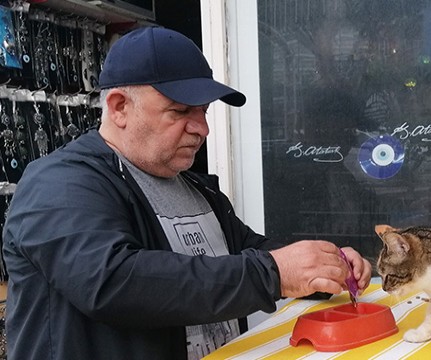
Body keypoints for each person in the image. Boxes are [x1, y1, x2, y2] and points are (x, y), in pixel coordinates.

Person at [1, 26, 372, 360]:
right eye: (179, 112)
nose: (202, 129)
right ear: (118, 108)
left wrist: (320, 267)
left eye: (204, 111)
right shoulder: (58, 183)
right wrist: (274, 273)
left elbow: (249, 253)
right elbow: (112, 282)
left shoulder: (194, 185)